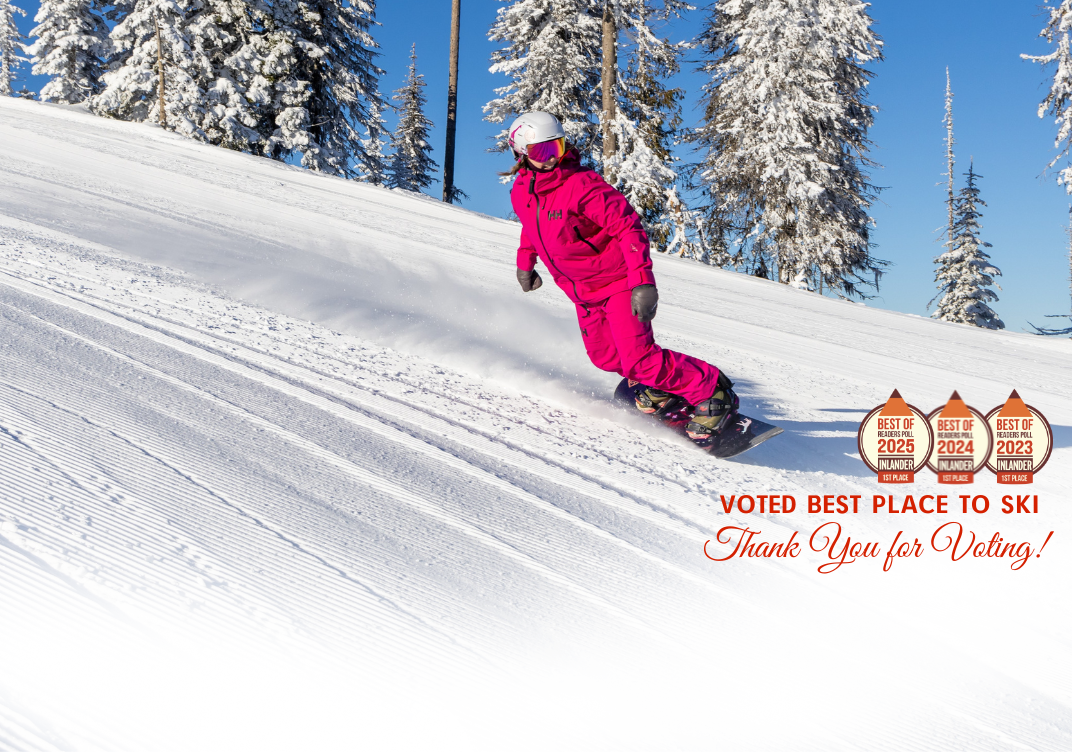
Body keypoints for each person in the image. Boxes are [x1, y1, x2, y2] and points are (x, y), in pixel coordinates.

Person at [506, 111, 739, 443]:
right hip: (582, 292)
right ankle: (662, 388)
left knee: (640, 359)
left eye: (557, 147)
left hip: (618, 282)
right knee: (606, 358)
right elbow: (533, 230)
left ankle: (713, 391)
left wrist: (642, 282)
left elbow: (628, 228)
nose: (553, 158)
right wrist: (525, 263)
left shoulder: (582, 186)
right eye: (543, 152)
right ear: (521, 153)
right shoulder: (522, 192)